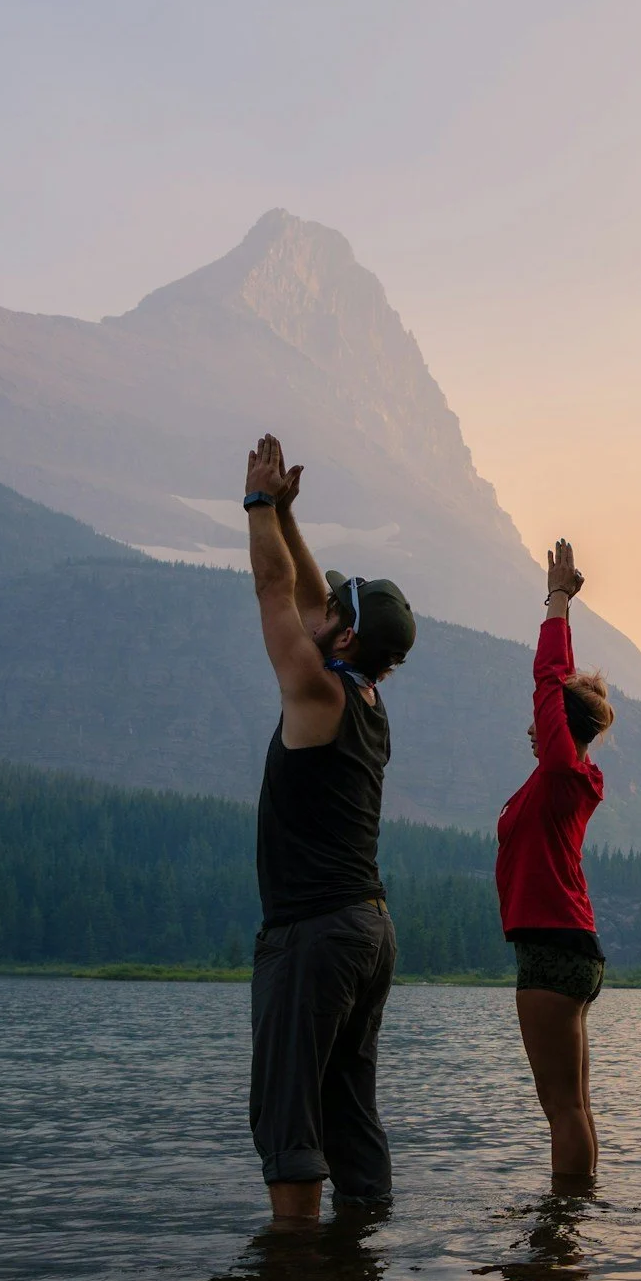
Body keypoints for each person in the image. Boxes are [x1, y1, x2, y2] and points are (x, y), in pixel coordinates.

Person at [242, 434, 418, 1221]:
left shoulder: (316, 692)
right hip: (368, 930)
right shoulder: (368, 699)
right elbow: (320, 605)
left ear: (346, 640)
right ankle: (360, 1279)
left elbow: (279, 595)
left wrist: (256, 506)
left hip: (314, 933)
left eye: (337, 614)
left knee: (293, 1121)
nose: (326, 611)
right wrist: (289, 513)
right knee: (350, 1113)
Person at [495, 538, 616, 1178]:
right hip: (565, 944)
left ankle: (561, 1243)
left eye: (546, 715)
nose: (534, 719)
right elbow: (556, 690)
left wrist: (558, 602)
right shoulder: (562, 778)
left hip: (552, 947)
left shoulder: (564, 769)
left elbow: (548, 681)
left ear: (560, 725)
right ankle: (573, 1235)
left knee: (563, 1108)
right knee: (574, 1105)